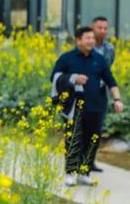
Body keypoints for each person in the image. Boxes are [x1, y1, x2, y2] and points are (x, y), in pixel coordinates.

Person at [51, 26, 124, 187]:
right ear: (78, 40)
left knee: (93, 140)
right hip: (73, 107)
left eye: (92, 38)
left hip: (96, 107)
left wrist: (117, 99)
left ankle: (85, 172)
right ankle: (70, 173)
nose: (91, 41)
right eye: (88, 38)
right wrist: (73, 78)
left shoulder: (99, 59)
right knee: (73, 140)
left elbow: (111, 81)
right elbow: (55, 78)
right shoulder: (66, 58)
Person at [90, 15, 116, 172]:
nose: (103, 31)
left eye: (105, 28)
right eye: (99, 28)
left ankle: (90, 161)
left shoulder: (110, 49)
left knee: (97, 129)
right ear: (93, 28)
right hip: (85, 94)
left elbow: (108, 69)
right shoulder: (86, 46)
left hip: (102, 94)